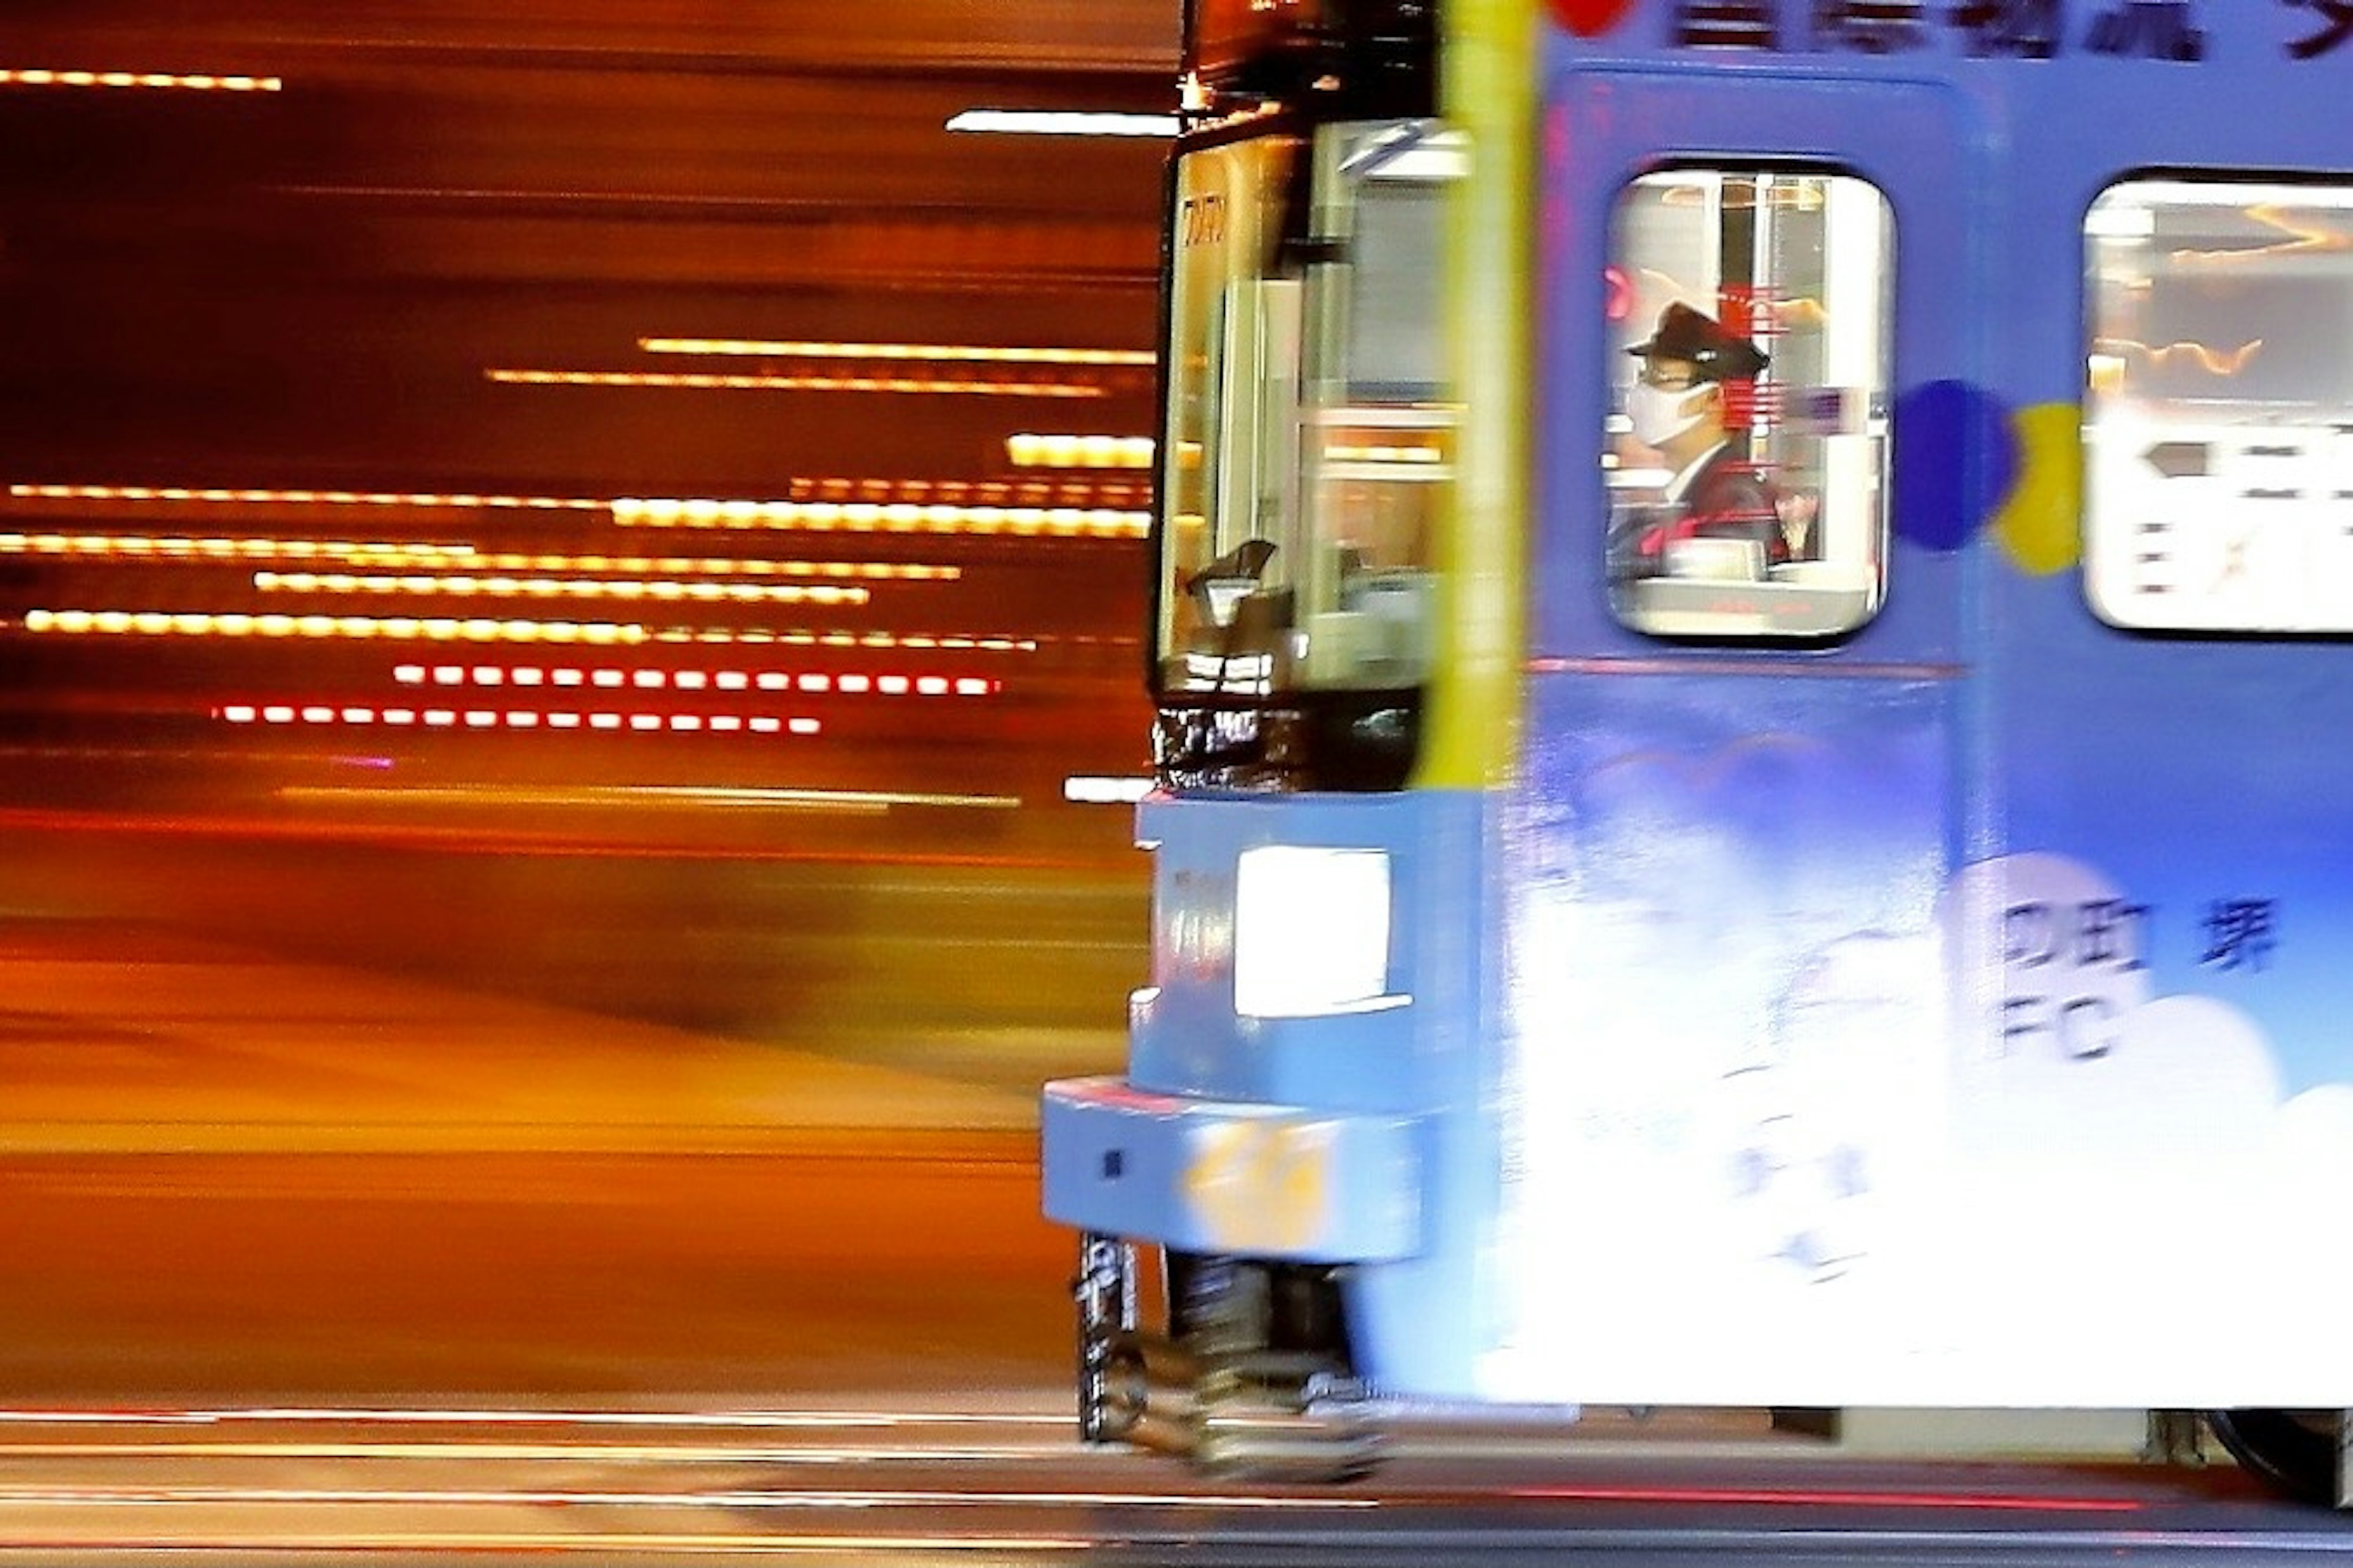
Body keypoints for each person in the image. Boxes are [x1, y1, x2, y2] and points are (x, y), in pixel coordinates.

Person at [1608, 302, 1814, 581]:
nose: (1642, 391)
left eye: (1660, 378)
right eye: (1643, 376)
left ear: (1713, 399)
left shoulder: (1735, 502)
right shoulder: (1689, 493)